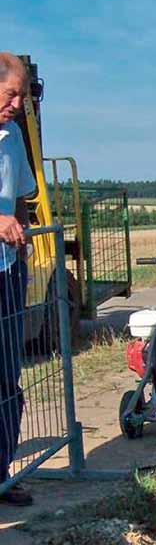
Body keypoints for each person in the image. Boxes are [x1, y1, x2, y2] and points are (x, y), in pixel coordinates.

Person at [0, 53, 36, 507]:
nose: (16, 104)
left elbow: (21, 197)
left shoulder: (12, 138)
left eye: (22, 97)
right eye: (11, 94)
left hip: (7, 270)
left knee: (7, 375)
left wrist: (22, 235)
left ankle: (2, 470)